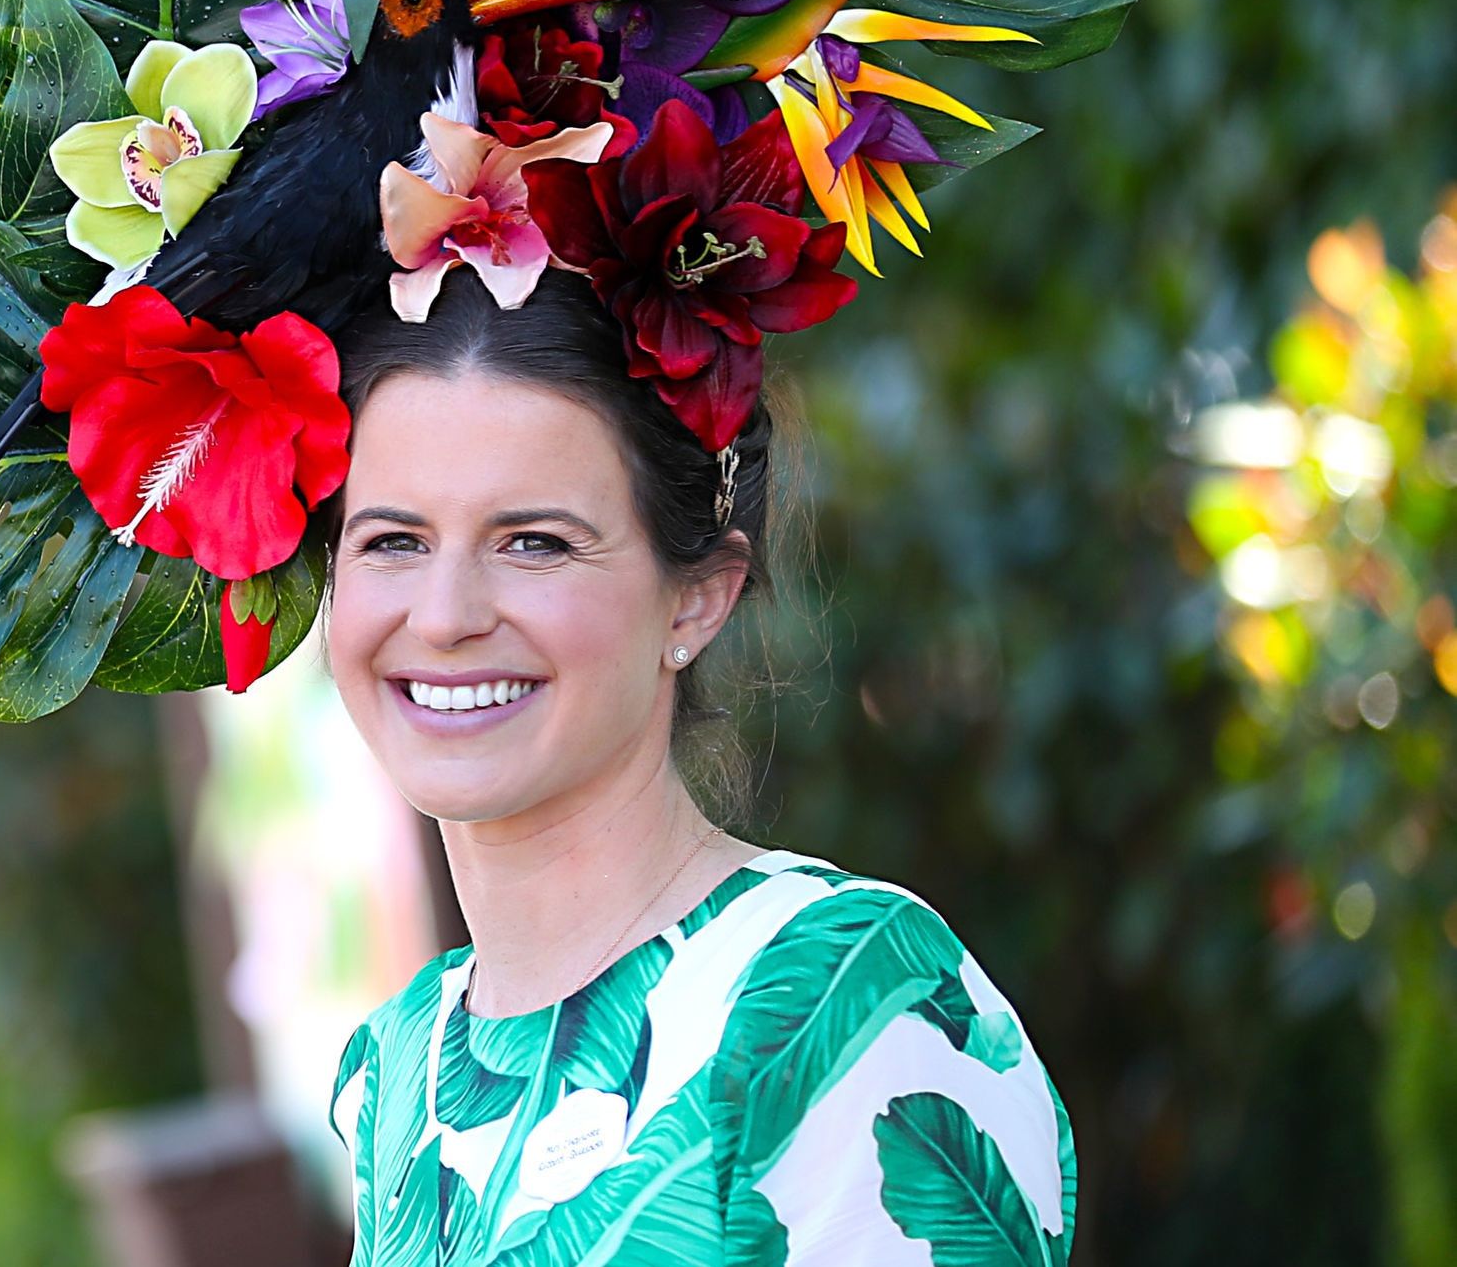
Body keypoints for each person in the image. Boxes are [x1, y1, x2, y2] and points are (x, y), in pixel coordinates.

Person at [316, 274, 1071, 1260]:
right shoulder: (395, 1070)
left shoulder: (839, 996)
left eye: (534, 542)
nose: (445, 612)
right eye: (391, 540)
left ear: (695, 600)